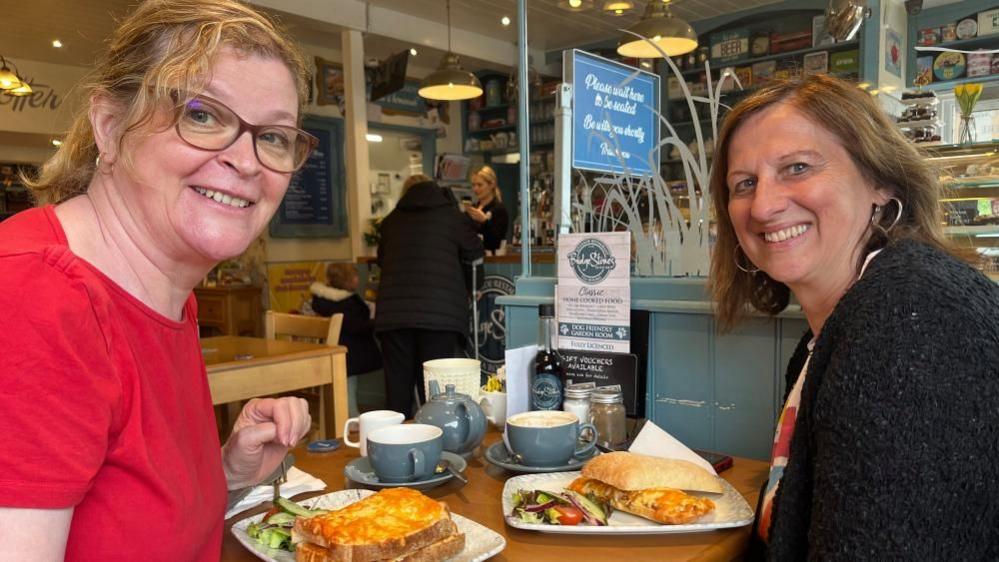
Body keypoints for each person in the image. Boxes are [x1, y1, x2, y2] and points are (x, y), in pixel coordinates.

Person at [0, 1, 316, 559]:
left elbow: (133, 530)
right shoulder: (34, 298)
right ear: (109, 127)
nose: (246, 161)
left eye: (273, 137)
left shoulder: (169, 296)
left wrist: (229, 471)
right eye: (201, 114)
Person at [708, 74, 999, 560]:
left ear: (880, 182)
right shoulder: (838, 326)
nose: (763, 205)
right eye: (745, 184)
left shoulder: (909, 318)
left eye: (797, 167)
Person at [375, 174, 484, 417]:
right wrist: (474, 288)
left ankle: (396, 445)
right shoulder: (452, 218)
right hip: (439, 316)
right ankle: (437, 447)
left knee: (398, 391)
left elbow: (382, 260)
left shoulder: (392, 220)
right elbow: (475, 254)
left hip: (394, 318)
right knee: (435, 391)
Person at [311, 262, 382, 417]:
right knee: (349, 384)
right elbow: (356, 326)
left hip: (333, 348)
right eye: (355, 276)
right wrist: (374, 322)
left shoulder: (323, 300)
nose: (358, 278)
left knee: (340, 384)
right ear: (347, 280)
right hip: (351, 351)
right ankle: (350, 415)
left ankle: (340, 414)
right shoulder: (348, 303)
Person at [465, 165, 509, 254]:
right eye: (473, 185)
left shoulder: (499, 210)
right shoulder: (473, 208)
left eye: (479, 185)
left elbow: (495, 241)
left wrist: (484, 221)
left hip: (490, 259)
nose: (475, 189)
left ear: (491, 185)